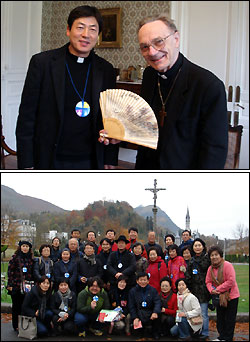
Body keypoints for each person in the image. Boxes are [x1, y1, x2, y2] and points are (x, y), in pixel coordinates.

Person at [16, 5, 119, 170]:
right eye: (80, 27)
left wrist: (110, 159)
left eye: (93, 29)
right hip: (50, 157)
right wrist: (27, 163)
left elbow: (112, 119)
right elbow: (26, 118)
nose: (86, 34)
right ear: (68, 30)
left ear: (97, 36)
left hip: (91, 159)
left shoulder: (106, 69)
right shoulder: (42, 63)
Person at [135, 15, 228, 169]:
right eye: (144, 47)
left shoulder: (208, 85)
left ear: (176, 39)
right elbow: (145, 124)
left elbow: (214, 151)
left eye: (158, 42)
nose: (151, 52)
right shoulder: (149, 75)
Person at [206, 246, 240, 342]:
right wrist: (211, 290)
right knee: (220, 319)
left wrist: (218, 289)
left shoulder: (227, 265)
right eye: (212, 255)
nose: (214, 257)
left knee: (229, 319)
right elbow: (208, 281)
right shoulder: (210, 269)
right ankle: (221, 337)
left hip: (231, 296)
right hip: (219, 297)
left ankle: (228, 338)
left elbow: (231, 281)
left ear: (220, 256)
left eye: (216, 255)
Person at [185, 238, 211, 340]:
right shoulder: (191, 260)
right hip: (194, 290)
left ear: (203, 246)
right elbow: (188, 275)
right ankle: (196, 330)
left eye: (199, 245)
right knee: (194, 312)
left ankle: (205, 332)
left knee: (203, 312)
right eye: (195, 246)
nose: (197, 247)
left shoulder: (207, 259)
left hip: (204, 290)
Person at [7, 240, 34, 332]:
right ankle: (16, 325)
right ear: (20, 247)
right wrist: (10, 285)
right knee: (16, 306)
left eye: (27, 246)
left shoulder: (31, 258)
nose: (25, 248)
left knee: (25, 305)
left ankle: (24, 324)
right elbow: (10, 271)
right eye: (23, 246)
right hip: (16, 285)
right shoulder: (15, 257)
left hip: (27, 286)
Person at [128, 271, 161, 340]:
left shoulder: (153, 290)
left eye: (145, 280)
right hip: (139, 311)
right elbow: (131, 306)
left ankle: (155, 333)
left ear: (148, 281)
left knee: (158, 315)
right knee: (136, 317)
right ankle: (140, 333)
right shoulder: (133, 291)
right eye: (141, 280)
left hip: (150, 311)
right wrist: (135, 317)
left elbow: (157, 302)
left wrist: (155, 312)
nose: (143, 282)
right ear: (137, 281)